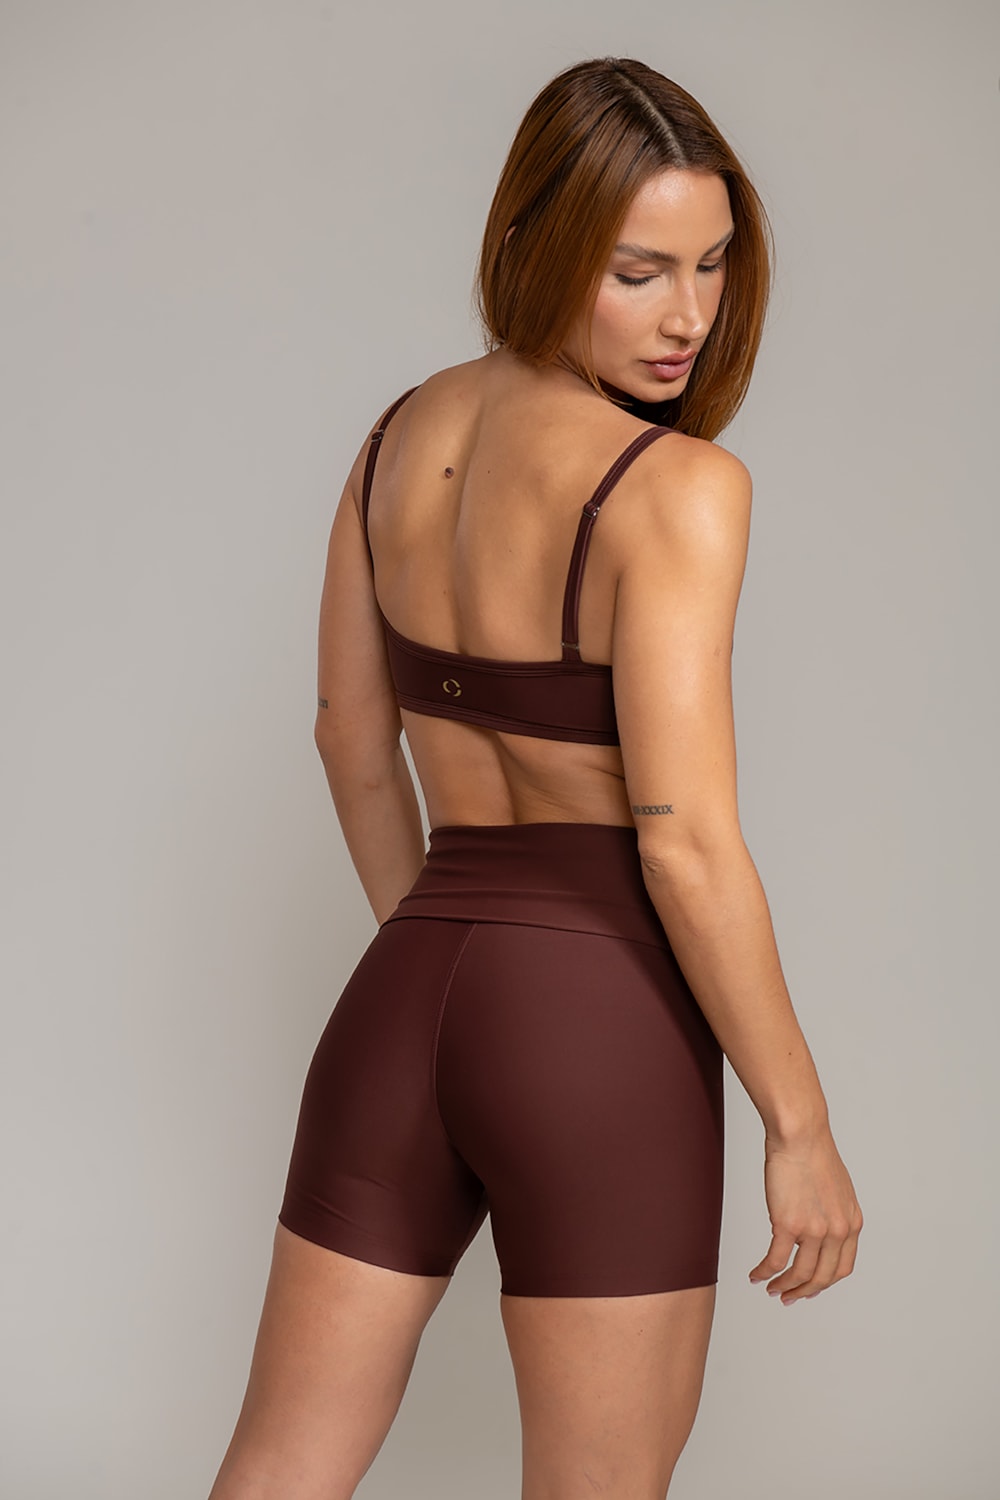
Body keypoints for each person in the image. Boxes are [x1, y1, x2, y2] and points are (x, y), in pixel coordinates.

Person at [209, 56, 862, 1500]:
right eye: (639, 273)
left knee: (277, 1471)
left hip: (402, 999)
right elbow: (684, 845)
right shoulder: (678, 489)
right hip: (596, 1019)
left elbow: (347, 736)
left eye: (713, 265)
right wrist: (800, 1126)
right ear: (540, 246)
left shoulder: (394, 440)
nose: (689, 316)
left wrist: (439, 945)